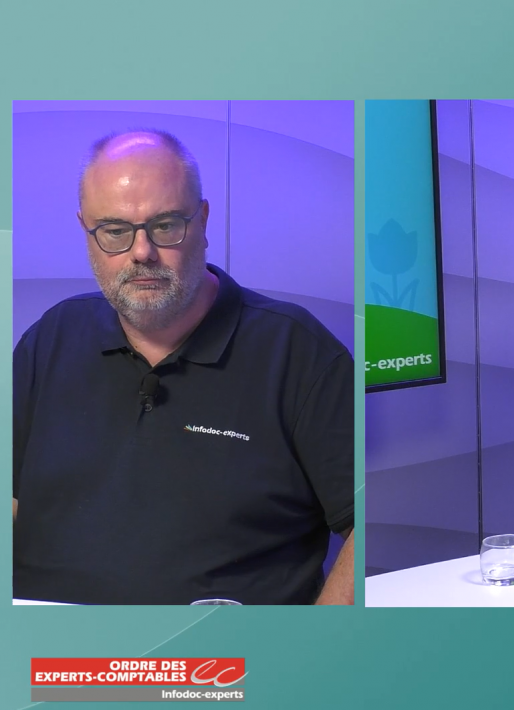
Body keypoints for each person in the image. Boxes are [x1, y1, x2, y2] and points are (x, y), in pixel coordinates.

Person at [12, 130, 355, 605]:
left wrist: (319, 641)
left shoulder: (298, 352)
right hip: (50, 642)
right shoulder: (51, 338)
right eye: (114, 230)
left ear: (204, 221)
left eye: (166, 225)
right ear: (86, 231)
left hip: (221, 648)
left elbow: (366, 523)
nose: (141, 252)